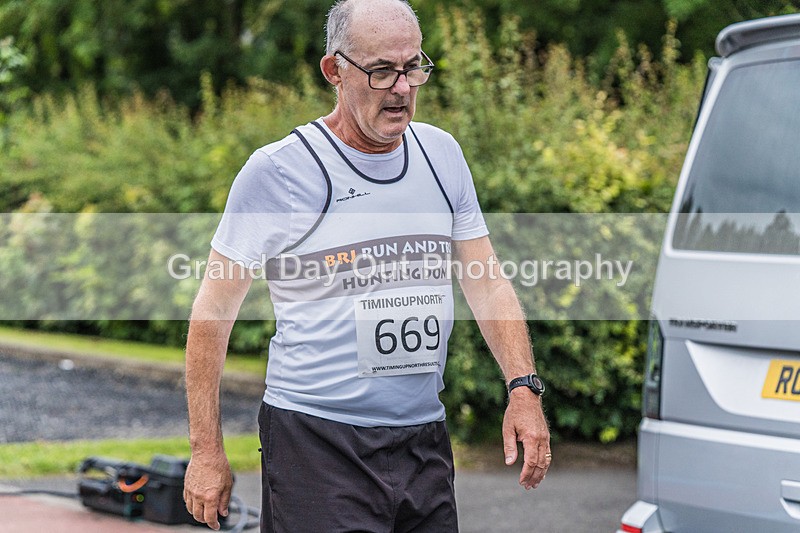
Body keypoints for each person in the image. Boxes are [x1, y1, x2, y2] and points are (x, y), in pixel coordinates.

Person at [183, 0, 550, 531]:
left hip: (423, 439)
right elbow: (212, 313)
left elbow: (487, 283)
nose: (401, 88)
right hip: (316, 442)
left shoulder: (442, 156)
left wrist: (523, 387)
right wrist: (206, 451)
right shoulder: (279, 172)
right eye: (381, 71)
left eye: (412, 67)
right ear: (334, 70)